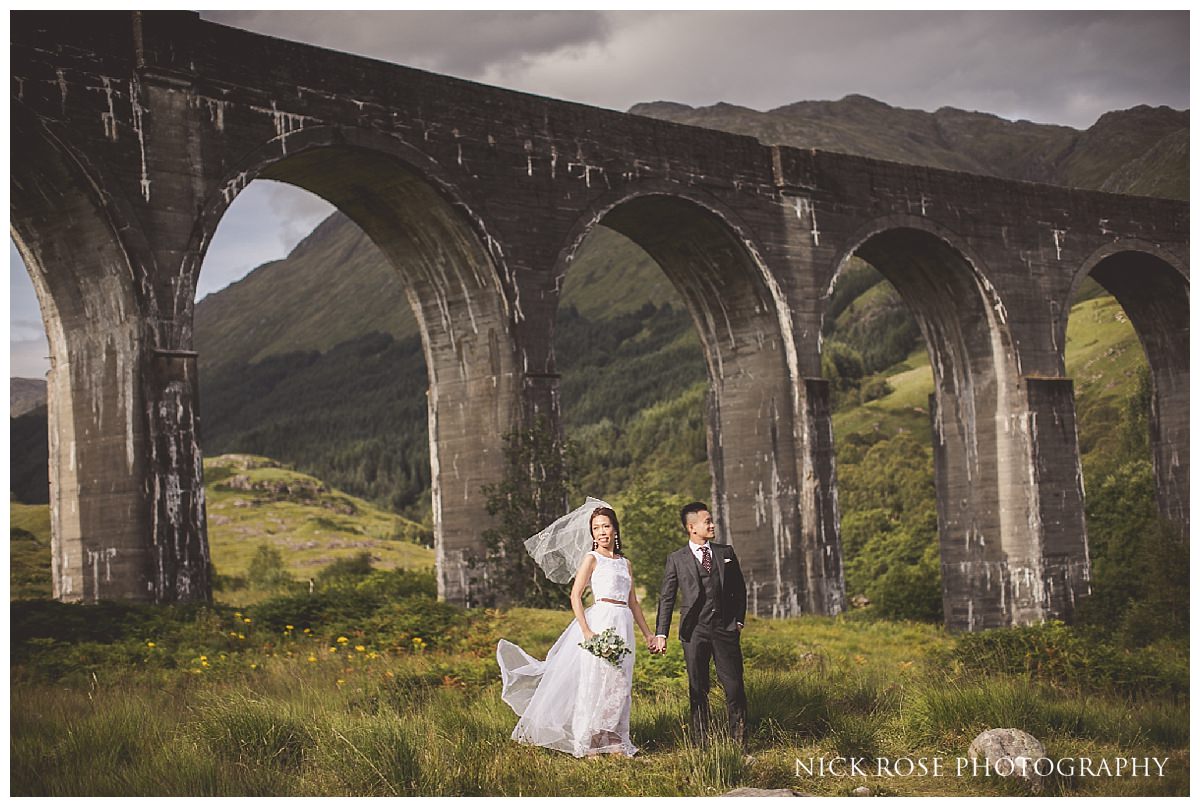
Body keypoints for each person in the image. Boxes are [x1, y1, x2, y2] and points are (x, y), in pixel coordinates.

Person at [497, 505, 659, 758]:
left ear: (615, 529)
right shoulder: (592, 559)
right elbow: (575, 596)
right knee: (597, 682)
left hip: (623, 623)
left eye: (606, 526)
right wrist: (586, 631)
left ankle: (613, 738)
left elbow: (634, 602)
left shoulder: (626, 564)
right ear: (592, 534)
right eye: (596, 528)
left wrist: (648, 634)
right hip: (601, 622)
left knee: (619, 684)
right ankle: (590, 741)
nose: (602, 532)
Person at [650, 501, 748, 749]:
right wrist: (661, 633)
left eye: (712, 521)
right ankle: (701, 744)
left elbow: (739, 589)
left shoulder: (726, 552)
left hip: (725, 629)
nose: (713, 525)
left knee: (734, 687)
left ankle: (738, 742)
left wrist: (738, 620)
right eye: (708, 522)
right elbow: (667, 598)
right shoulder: (676, 559)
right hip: (694, 631)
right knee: (698, 688)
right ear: (692, 527)